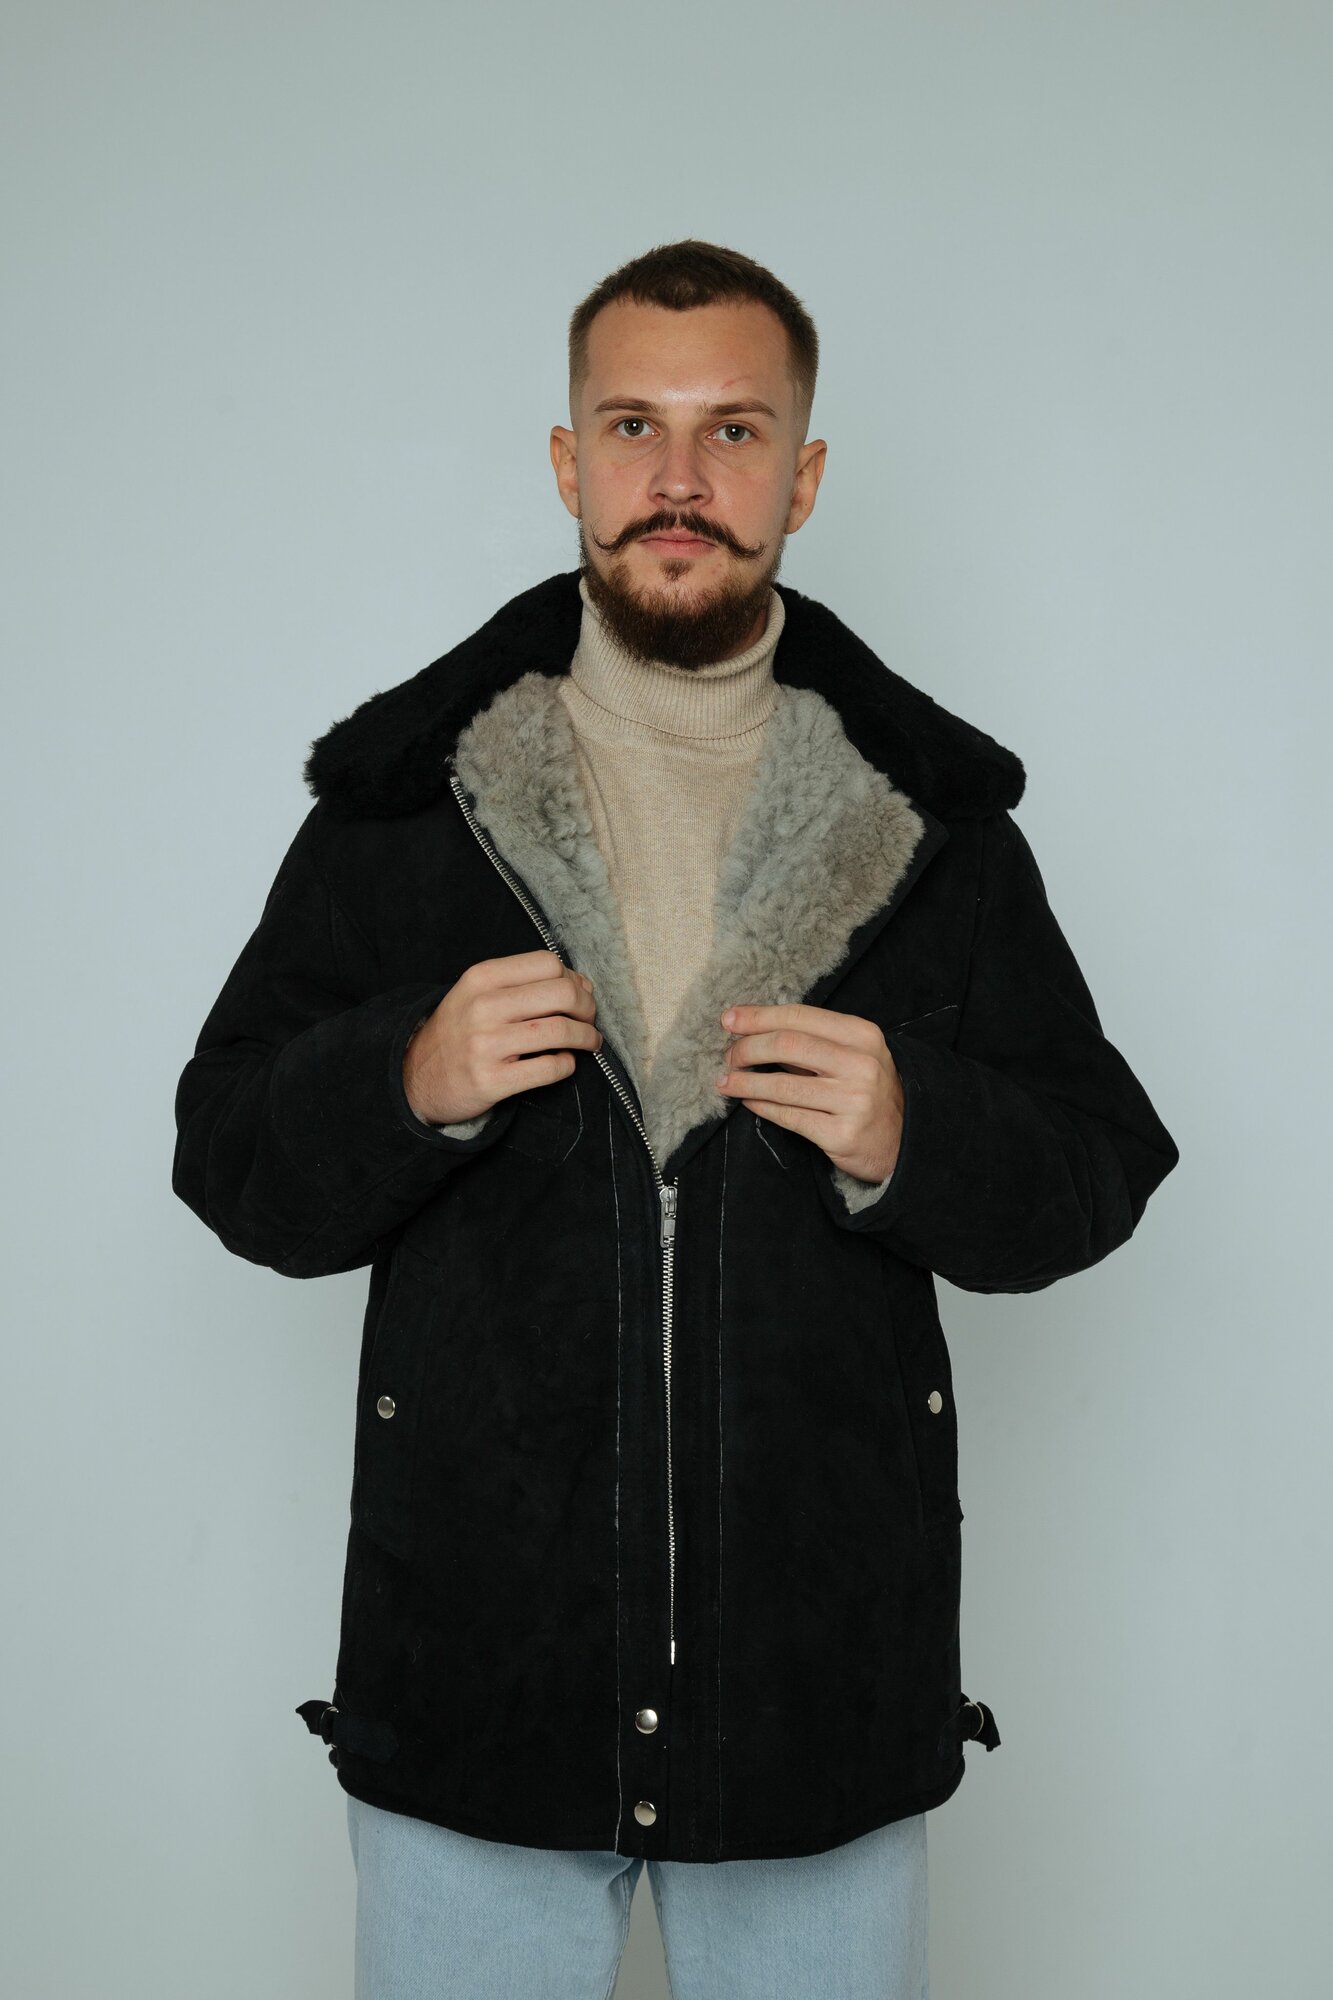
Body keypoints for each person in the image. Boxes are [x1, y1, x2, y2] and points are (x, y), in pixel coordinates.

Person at [172, 239, 1178, 1999]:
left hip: (814, 1698)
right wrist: (400, 1081)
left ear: (802, 475)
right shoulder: (405, 812)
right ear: (570, 461)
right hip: (474, 1684)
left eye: (734, 431)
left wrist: (914, 1128)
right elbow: (230, 1158)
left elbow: (1095, 1171)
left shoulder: (932, 829)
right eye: (634, 425)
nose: (680, 477)